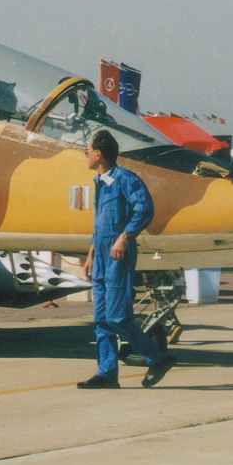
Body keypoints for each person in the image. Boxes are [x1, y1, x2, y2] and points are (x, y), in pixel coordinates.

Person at [78, 130, 178, 390]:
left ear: (98, 154)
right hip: (100, 254)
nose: (85, 155)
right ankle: (107, 373)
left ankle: (157, 358)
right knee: (101, 319)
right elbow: (99, 224)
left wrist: (125, 236)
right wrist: (90, 254)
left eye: (86, 150)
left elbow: (144, 209)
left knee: (117, 317)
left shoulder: (125, 179)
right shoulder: (100, 182)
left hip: (117, 254)